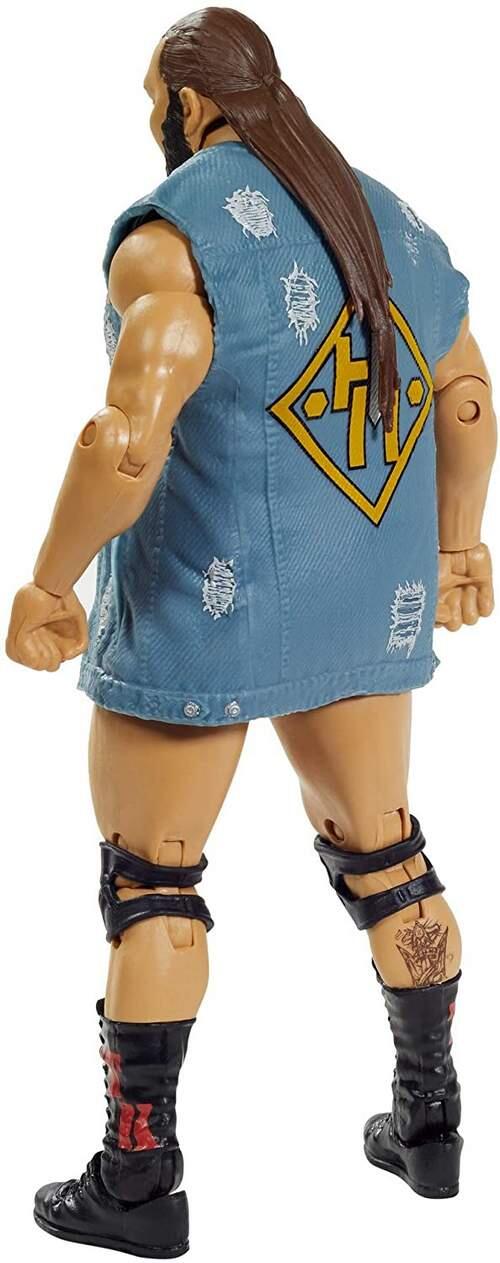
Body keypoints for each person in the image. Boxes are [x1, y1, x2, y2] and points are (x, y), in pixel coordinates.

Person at [6, 7, 496, 1257]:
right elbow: (465, 396)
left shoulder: (171, 241)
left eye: (152, 102)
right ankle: (429, 1124)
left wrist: (51, 582)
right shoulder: (388, 217)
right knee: (387, 859)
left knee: (154, 884)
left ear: (187, 105)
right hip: (361, 602)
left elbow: (123, 442)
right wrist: (456, 546)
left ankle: (138, 1181)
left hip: (203, 609)